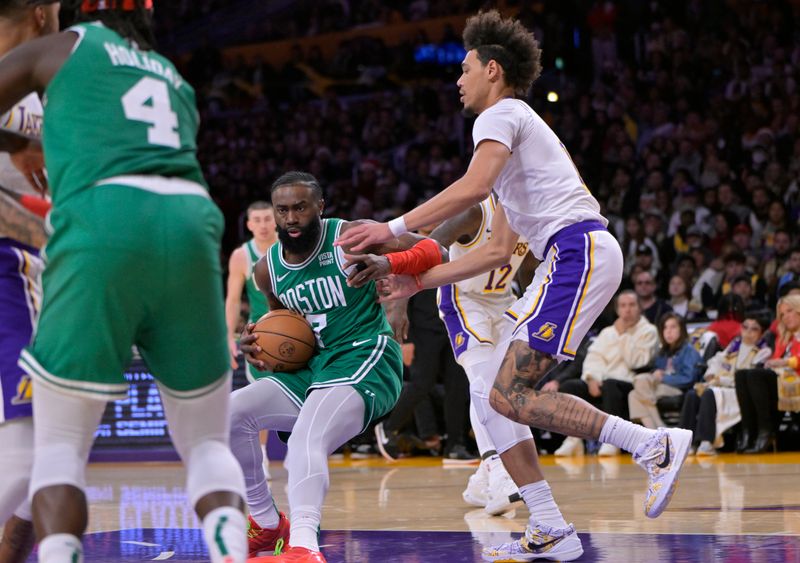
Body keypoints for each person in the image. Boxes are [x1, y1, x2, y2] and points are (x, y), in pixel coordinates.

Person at [337, 10, 692, 561]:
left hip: (576, 252)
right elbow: (496, 251)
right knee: (496, 398)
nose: (459, 79)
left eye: (465, 67)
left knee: (506, 395)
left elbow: (470, 186)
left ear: (493, 70)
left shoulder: (500, 115)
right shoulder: (512, 148)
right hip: (570, 257)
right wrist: (414, 282)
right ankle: (548, 523)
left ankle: (653, 445)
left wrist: (392, 229)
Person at [0, 3, 248, 562]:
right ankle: (230, 551)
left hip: (104, 217)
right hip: (191, 222)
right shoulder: (172, 75)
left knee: (60, 445)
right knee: (206, 441)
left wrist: (12, 141)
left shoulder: (60, 48)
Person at [231, 171, 447, 563]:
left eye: (300, 207)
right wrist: (259, 346)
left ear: (320, 207)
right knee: (230, 415)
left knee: (303, 441)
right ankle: (264, 522)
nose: (291, 218)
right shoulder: (267, 270)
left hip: (365, 356)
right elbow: (284, 327)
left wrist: (388, 264)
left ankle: (304, 548)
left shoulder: (351, 235)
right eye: (283, 210)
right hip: (315, 368)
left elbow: (437, 251)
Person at [0, 2, 59, 561]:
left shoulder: (41, 88)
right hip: (9, 266)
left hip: (28, 265)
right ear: (43, 12)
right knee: (37, 441)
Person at [555, 290, 659, 457]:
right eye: (623, 306)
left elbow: (637, 361)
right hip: (602, 381)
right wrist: (591, 379)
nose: (627, 310)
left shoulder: (648, 331)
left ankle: (613, 440)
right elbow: (593, 358)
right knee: (570, 387)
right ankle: (574, 438)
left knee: (611, 385)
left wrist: (624, 335)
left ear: (640, 308)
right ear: (617, 310)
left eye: (632, 305)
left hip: (628, 383)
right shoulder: (607, 332)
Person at [680, 316, 771, 455]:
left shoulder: (763, 351)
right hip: (720, 385)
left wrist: (720, 380)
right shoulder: (735, 345)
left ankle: (706, 441)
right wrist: (711, 374)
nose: (748, 332)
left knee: (709, 393)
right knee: (692, 394)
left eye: (754, 329)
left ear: (761, 333)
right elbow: (717, 360)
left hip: (740, 393)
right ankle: (685, 442)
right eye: (745, 327)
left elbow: (747, 379)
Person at [737, 295, 800, 453]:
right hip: (782, 380)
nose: (785, 317)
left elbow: (790, 361)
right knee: (742, 374)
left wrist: (787, 362)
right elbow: (776, 360)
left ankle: (766, 432)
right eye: (782, 314)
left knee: (755, 375)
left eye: (789, 311)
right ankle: (749, 431)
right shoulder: (784, 337)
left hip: (795, 379)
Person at [225, 201, 278, 374]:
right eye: (257, 220)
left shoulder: (292, 247)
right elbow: (233, 300)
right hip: (259, 333)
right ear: (249, 224)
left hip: (295, 324)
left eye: (267, 219)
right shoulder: (241, 255)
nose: (263, 225)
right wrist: (228, 335)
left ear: (276, 220)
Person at [627, 313, 702, 430]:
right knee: (633, 393)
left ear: (681, 329)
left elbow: (689, 378)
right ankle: (658, 432)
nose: (668, 331)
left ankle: (657, 429)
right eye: (665, 328)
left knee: (637, 390)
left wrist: (663, 378)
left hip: (679, 389)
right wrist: (655, 375)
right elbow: (655, 371)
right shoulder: (663, 352)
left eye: (673, 327)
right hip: (660, 388)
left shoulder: (689, 351)